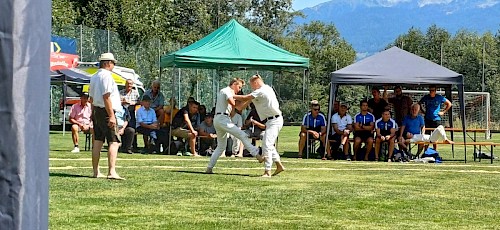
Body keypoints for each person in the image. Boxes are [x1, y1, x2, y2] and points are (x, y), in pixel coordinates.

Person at [205, 78, 264, 174]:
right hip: (222, 119)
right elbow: (234, 104)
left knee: (221, 147)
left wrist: (247, 99)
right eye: (239, 87)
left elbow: (238, 107)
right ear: (234, 84)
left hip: (221, 118)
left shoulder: (225, 91)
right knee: (242, 135)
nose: (239, 90)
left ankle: (209, 168)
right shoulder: (226, 91)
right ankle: (257, 154)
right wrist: (247, 98)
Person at [233, 75, 285, 177]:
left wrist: (231, 95)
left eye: (252, 85)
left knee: (267, 145)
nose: (252, 88)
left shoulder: (262, 90)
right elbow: (241, 106)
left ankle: (267, 171)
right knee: (268, 144)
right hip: (270, 121)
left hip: (275, 120)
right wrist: (234, 104)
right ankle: (279, 165)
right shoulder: (259, 92)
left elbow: (246, 97)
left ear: (256, 82)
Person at [88, 52, 124, 180]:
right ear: (108, 63)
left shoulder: (93, 77)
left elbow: (91, 98)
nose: (114, 65)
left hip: (97, 110)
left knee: (98, 141)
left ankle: (96, 171)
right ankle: (111, 171)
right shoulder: (107, 76)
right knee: (114, 141)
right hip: (106, 111)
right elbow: (106, 96)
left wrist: (92, 113)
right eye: (113, 63)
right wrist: (112, 116)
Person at [418, 85, 452, 150]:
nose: (431, 92)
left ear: (435, 91)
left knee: (435, 136)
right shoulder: (426, 97)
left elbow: (449, 104)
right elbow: (419, 103)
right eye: (430, 90)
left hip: (436, 119)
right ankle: (426, 151)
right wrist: (422, 111)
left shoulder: (439, 97)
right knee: (426, 136)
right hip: (427, 119)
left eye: (433, 90)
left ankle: (435, 151)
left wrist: (443, 112)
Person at [119, 79, 140, 151]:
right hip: (122, 112)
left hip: (131, 112)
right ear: (125, 84)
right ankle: (123, 146)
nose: (129, 85)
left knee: (132, 129)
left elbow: (139, 102)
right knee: (122, 128)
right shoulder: (121, 92)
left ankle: (132, 146)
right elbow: (117, 101)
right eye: (128, 84)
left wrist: (131, 103)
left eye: (131, 84)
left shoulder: (135, 93)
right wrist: (123, 102)